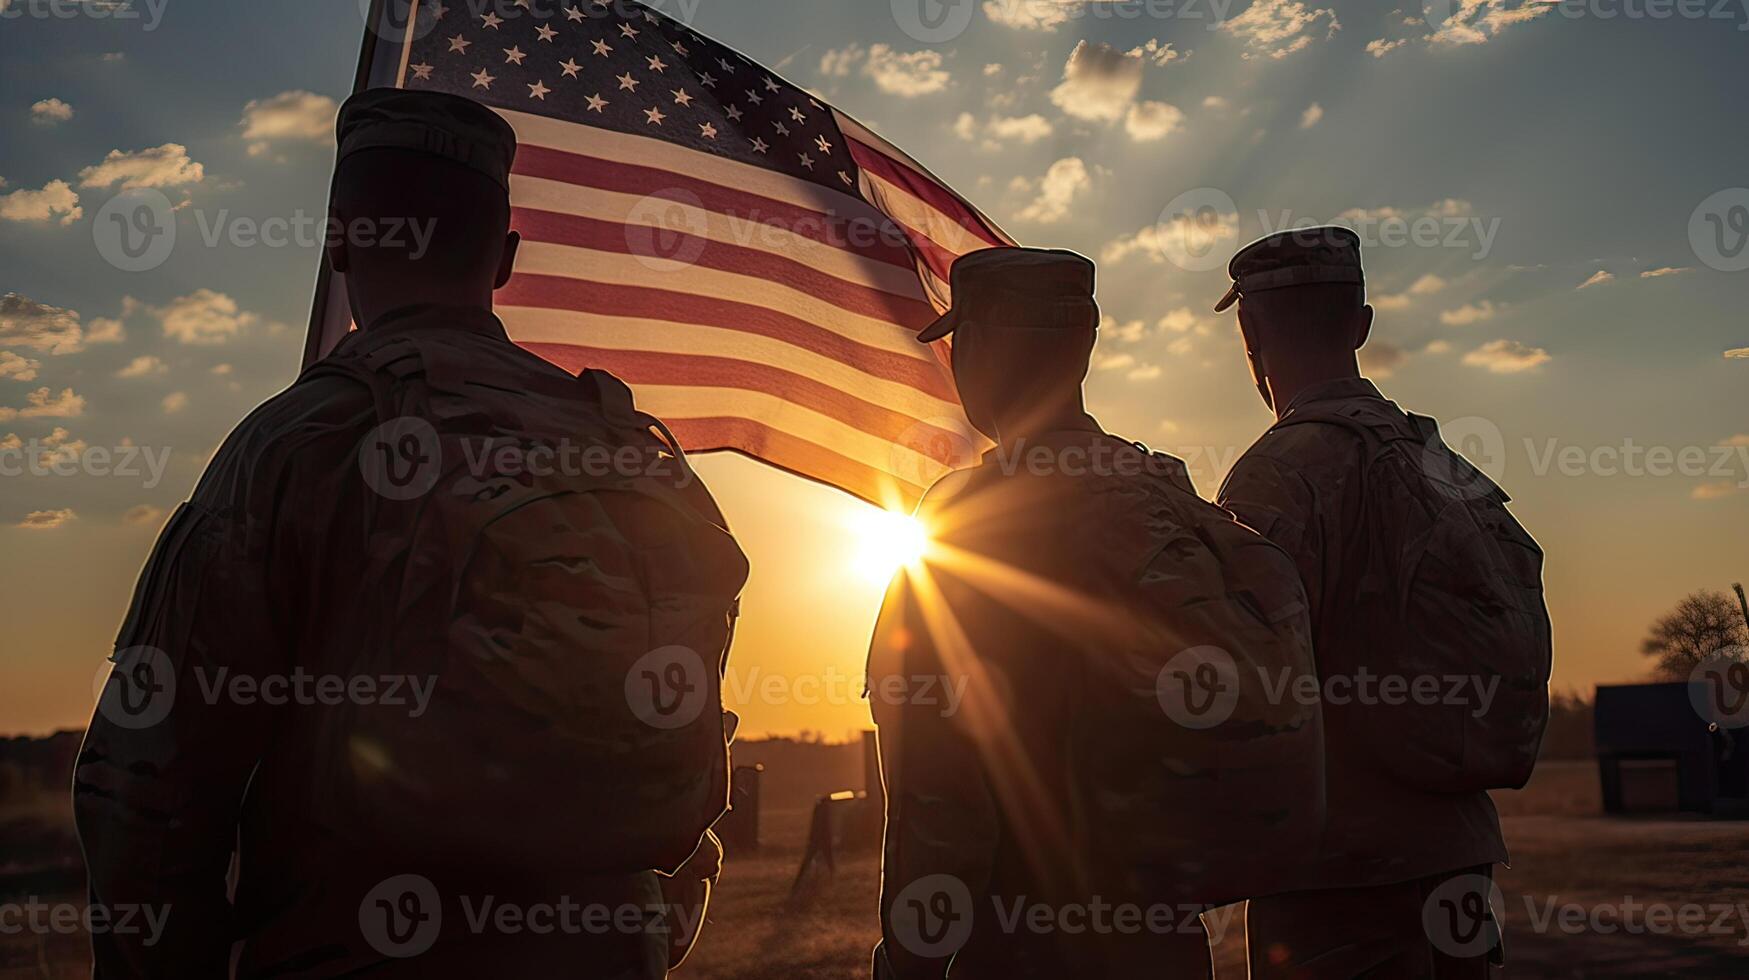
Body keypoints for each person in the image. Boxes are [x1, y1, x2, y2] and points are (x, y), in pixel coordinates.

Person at [73, 89, 747, 979]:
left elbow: (149, 782)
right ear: (505, 259)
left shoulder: (298, 442)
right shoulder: (626, 445)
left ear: (341, 237)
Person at [867, 248, 1323, 980]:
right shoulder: (1166, 496)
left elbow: (937, 792)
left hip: (1024, 942)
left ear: (975, 349)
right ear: (1084, 344)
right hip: (1163, 942)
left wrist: (908, 960)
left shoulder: (967, 521)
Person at [1214, 226, 1551, 978]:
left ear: (1249, 332)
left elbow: (1249, 680)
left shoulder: (1276, 473)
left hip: (1339, 870)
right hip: (1457, 852)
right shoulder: (1441, 463)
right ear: (1361, 325)